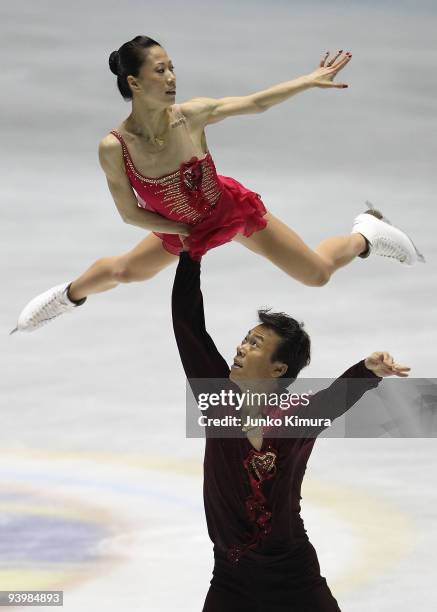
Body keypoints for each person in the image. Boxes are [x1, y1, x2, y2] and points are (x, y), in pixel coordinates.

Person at [11, 36, 424, 334]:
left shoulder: (191, 116)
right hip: (182, 228)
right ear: (134, 83)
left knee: (316, 275)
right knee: (125, 270)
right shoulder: (115, 147)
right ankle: (66, 297)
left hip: (229, 210)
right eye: (160, 70)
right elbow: (129, 212)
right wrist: (184, 232)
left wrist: (307, 80)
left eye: (172, 67)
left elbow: (255, 103)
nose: (172, 77)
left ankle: (365, 233)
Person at [171, 244, 410, 611]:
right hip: (231, 577)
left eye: (255, 344)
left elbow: (333, 401)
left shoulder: (294, 418)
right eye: (246, 338)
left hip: (293, 576)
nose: (241, 347)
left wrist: (368, 369)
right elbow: (188, 325)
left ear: (279, 369)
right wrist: (191, 256)